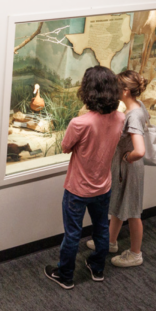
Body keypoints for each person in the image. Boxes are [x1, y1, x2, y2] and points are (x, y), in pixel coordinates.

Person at [45, 66, 125, 289]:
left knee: (72, 234)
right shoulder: (120, 118)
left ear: (87, 90)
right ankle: (98, 269)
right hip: (103, 187)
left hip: (77, 189)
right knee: (101, 229)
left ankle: (66, 276)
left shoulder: (80, 123)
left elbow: (64, 147)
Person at [87, 70, 149, 267]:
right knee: (119, 204)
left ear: (124, 91)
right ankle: (110, 241)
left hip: (130, 168)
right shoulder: (138, 107)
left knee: (132, 211)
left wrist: (126, 157)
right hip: (125, 168)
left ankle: (135, 253)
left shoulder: (133, 116)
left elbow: (139, 150)